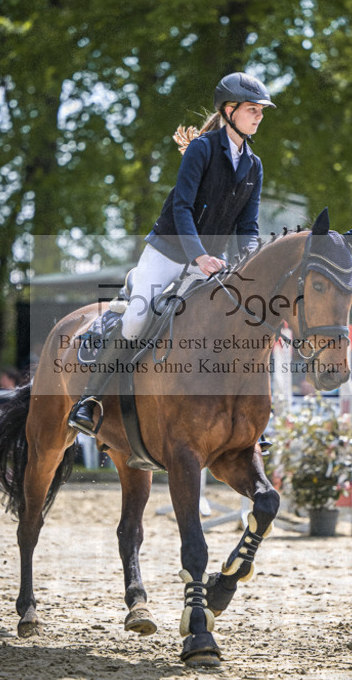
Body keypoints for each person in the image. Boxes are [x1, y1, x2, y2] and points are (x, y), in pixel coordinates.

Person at [69, 71, 275, 435]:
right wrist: (198, 256)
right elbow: (182, 208)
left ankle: (247, 422)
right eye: (253, 109)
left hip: (210, 264)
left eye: (261, 111)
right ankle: (89, 400)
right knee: (136, 319)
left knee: (236, 324)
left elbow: (248, 227)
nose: (260, 116)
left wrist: (252, 265)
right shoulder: (202, 149)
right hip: (168, 252)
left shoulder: (254, 165)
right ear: (229, 110)